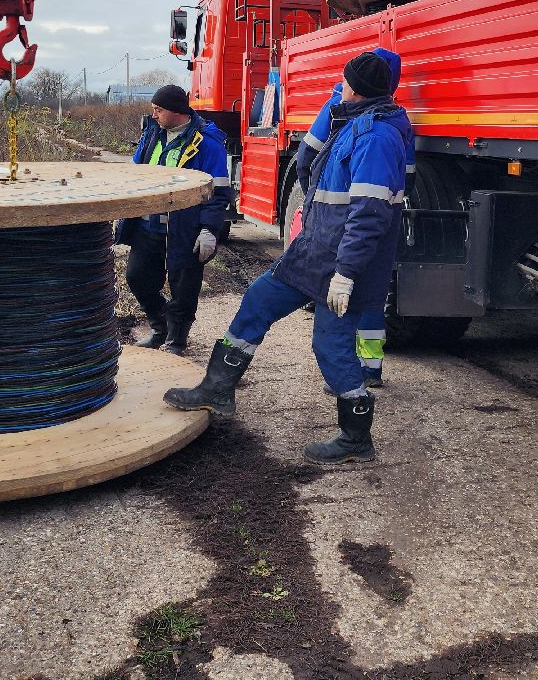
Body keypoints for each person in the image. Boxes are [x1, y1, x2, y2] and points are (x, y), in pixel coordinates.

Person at [164, 51, 411, 465]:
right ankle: (217, 388)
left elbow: (369, 215)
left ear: (357, 88)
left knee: (330, 346)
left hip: (339, 263)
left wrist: (346, 274)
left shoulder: (377, 138)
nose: (341, 85)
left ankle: (356, 439)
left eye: (345, 80)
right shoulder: (351, 123)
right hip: (314, 253)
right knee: (257, 302)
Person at [295, 46, 412, 389]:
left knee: (341, 295)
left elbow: (307, 156)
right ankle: (372, 367)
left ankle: (345, 377)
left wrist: (319, 201)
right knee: (373, 293)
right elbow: (409, 173)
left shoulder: (342, 103)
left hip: (342, 220)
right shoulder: (395, 116)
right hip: (382, 216)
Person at [115, 84, 231, 355]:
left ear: (177, 112)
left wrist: (208, 230)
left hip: (184, 229)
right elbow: (135, 175)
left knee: (184, 288)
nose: (153, 115)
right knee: (137, 277)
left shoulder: (207, 144)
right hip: (147, 225)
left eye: (158, 110)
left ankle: (177, 340)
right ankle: (160, 326)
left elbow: (218, 192)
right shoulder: (151, 135)